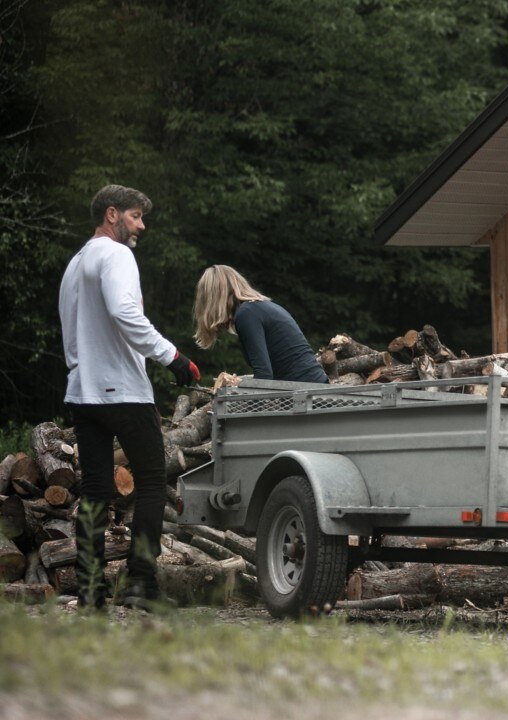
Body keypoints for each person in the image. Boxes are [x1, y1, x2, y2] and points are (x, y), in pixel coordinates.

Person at [59, 184, 201, 611]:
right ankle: (141, 584)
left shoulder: (75, 263)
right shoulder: (116, 255)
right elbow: (125, 312)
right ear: (112, 214)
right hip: (122, 389)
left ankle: (89, 588)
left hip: (82, 392)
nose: (141, 226)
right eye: (136, 216)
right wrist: (172, 357)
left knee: (98, 490)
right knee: (153, 482)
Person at [192, 265, 329, 384]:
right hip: (310, 389)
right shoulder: (259, 308)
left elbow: (264, 374)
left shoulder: (247, 314)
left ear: (213, 298)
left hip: (305, 395)